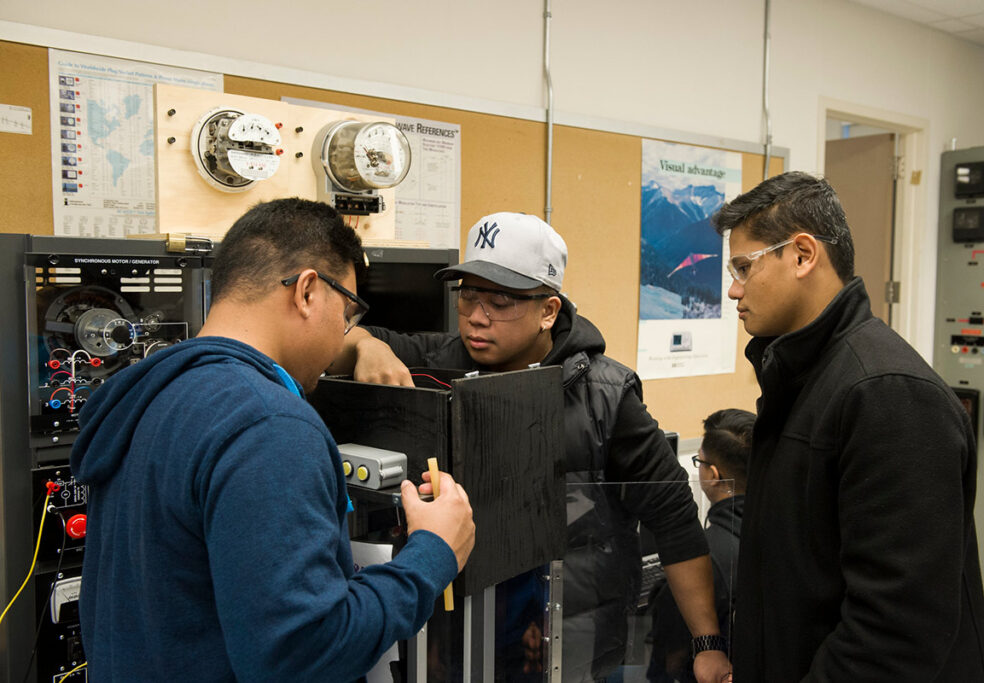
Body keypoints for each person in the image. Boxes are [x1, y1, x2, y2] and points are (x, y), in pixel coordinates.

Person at [69, 198, 476, 682]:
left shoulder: (154, 395)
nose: (341, 336)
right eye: (346, 312)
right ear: (307, 291)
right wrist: (431, 554)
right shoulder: (269, 426)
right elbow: (303, 655)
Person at [333, 212, 731, 683]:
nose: (478, 316)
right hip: (451, 644)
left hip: (564, 647)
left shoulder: (606, 395)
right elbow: (332, 337)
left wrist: (706, 643)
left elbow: (674, 519)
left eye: (502, 300)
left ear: (549, 310)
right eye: (469, 296)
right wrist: (364, 344)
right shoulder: (433, 363)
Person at [712, 171, 984, 681]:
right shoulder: (806, 378)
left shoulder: (887, 393)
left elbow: (896, 629)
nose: (734, 290)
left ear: (802, 255)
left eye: (742, 267)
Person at [647, 409, 753, 683]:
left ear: (713, 475)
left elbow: (667, 663)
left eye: (699, 462)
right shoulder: (785, 537)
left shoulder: (697, 564)